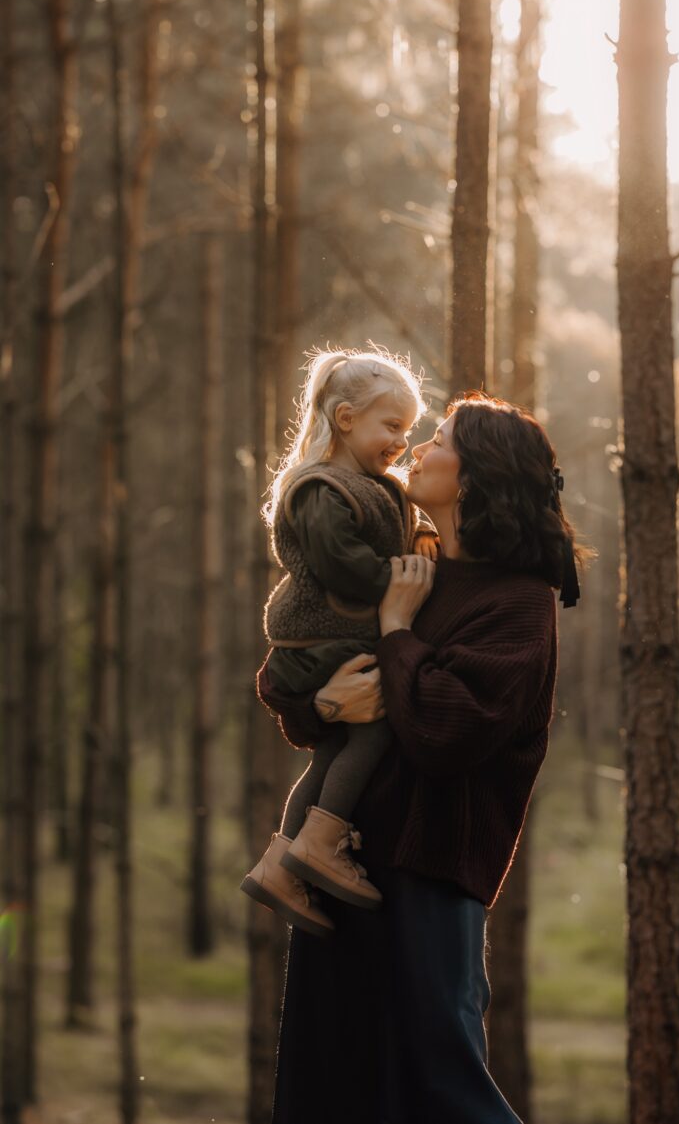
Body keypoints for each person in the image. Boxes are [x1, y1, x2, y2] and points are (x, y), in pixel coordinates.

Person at [256, 391, 586, 1124]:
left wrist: (399, 632)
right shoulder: (410, 567)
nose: (420, 450)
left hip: (430, 873)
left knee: (442, 1089)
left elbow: (443, 730)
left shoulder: (517, 604)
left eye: (440, 440)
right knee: (327, 1082)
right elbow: (295, 674)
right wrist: (324, 707)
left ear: (472, 478)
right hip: (338, 865)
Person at [240, 348, 437, 936]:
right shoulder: (320, 488)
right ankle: (323, 844)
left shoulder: (375, 485)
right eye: (393, 426)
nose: (403, 441)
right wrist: (396, 585)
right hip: (317, 640)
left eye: (409, 429)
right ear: (346, 419)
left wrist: (422, 541)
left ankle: (283, 862)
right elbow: (341, 562)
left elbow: (403, 526)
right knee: (375, 724)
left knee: (335, 752)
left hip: (336, 638)